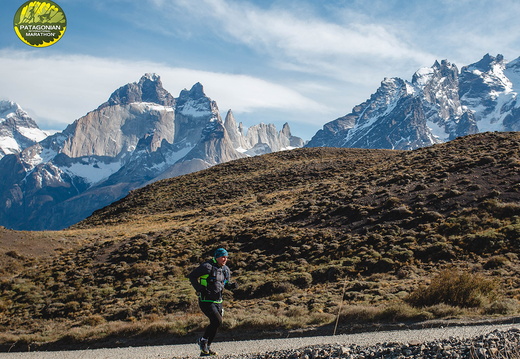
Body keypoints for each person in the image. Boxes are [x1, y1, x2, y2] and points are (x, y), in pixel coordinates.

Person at [189, 247, 238, 356]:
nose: (225, 259)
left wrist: (231, 286)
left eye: (226, 257)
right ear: (217, 257)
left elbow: (224, 283)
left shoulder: (225, 269)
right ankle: (203, 341)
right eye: (222, 257)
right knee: (217, 321)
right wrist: (200, 289)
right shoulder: (207, 267)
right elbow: (192, 276)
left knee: (215, 324)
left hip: (218, 300)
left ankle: (206, 348)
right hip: (206, 300)